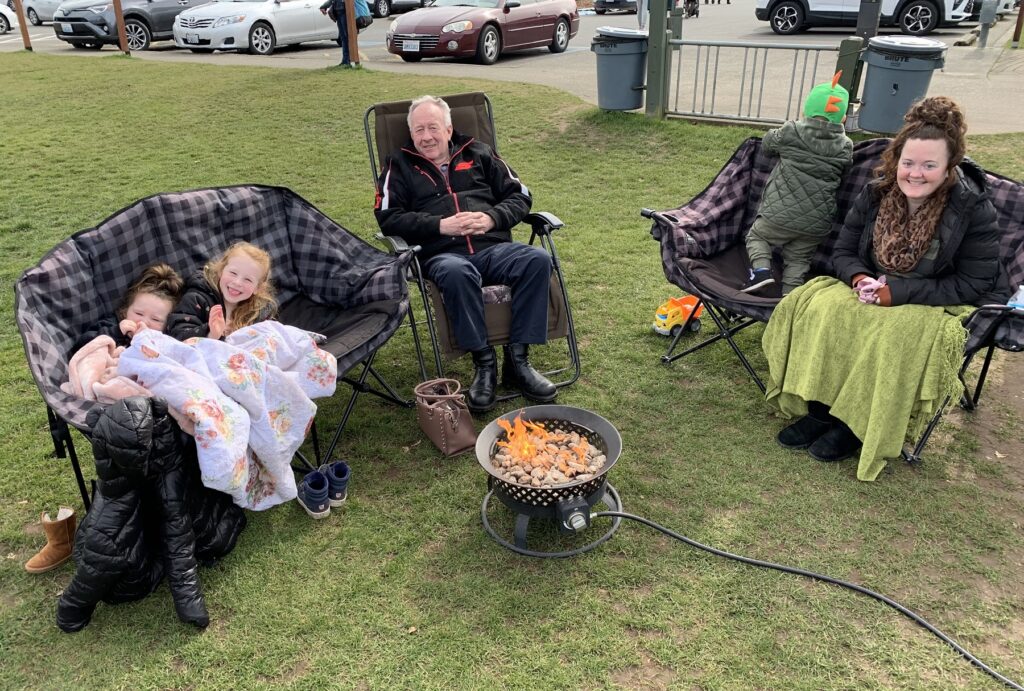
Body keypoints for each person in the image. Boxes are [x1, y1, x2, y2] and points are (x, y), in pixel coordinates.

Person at [762, 96, 1009, 480]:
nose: (915, 173)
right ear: (897, 160)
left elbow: (974, 282)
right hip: (872, 286)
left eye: (929, 165)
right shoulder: (877, 191)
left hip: (937, 297)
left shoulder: (971, 206)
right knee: (821, 308)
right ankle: (820, 409)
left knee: (891, 334)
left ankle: (854, 425)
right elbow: (843, 251)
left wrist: (899, 293)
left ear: (948, 168)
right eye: (908, 163)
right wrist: (860, 278)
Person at [374, 95, 556, 414]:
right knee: (457, 273)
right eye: (418, 130)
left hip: (493, 248)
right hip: (443, 254)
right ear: (411, 134)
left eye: (433, 127)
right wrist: (439, 225)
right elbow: (387, 216)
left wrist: (492, 218)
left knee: (537, 260)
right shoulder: (397, 165)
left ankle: (518, 362)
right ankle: (484, 365)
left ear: (448, 129)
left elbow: (520, 196)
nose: (426, 136)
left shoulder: (479, 152)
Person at [742, 72, 853, 295]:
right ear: (842, 119)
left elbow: (767, 144)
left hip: (778, 214)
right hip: (817, 222)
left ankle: (762, 272)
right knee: (799, 258)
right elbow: (846, 168)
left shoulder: (791, 131)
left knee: (757, 236)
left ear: (805, 110)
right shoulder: (845, 145)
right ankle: (790, 296)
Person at [167, 241, 277, 341]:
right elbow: (177, 335)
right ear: (221, 271)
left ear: (257, 288)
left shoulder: (259, 313)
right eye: (233, 273)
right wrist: (211, 333)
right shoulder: (197, 298)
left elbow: (272, 341)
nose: (237, 282)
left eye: (248, 279)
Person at [73, 262, 184, 353]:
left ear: (167, 325)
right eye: (139, 313)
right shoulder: (112, 324)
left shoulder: (167, 340)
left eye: (156, 319)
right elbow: (80, 347)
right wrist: (116, 332)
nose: (143, 322)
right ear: (125, 311)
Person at [320, 0, 369, 68]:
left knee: (347, 37)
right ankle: (346, 60)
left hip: (345, 12)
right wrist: (325, 5)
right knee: (343, 38)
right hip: (339, 11)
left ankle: (349, 61)